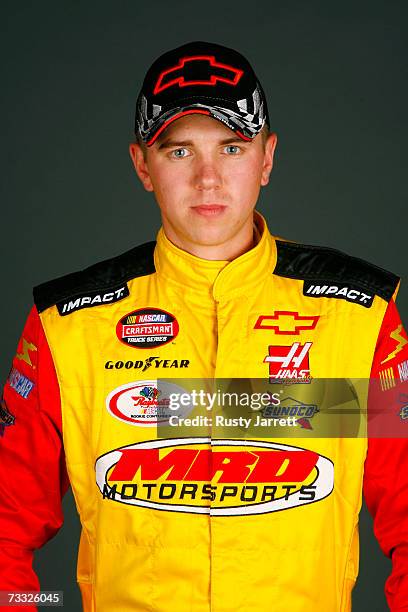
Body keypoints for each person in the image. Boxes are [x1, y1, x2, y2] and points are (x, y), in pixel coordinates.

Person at [0, 40, 407, 612]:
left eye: (232, 147)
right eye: (180, 151)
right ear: (143, 164)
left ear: (267, 157)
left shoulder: (358, 315)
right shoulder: (68, 325)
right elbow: (5, 527)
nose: (209, 178)